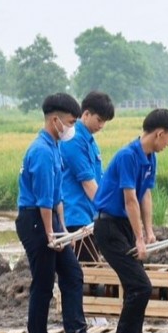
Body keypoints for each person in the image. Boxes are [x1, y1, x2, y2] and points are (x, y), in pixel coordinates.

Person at [15, 93, 110, 333]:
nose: (71, 127)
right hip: (34, 220)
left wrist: (63, 231)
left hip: (52, 218)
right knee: (44, 282)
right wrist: (50, 234)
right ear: (55, 120)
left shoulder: (55, 145)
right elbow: (43, 201)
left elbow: (58, 197)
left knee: (72, 274)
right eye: (70, 122)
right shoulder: (42, 151)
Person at [93, 108, 168, 333]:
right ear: (159, 133)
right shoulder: (128, 156)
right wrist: (139, 239)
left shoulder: (150, 158)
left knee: (136, 286)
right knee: (141, 286)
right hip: (109, 228)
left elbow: (145, 196)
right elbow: (129, 199)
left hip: (125, 228)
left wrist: (149, 231)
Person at [60, 90, 115, 262]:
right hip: (76, 216)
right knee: (85, 270)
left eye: (104, 122)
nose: (101, 126)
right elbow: (88, 183)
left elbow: (100, 179)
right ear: (86, 114)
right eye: (99, 120)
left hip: (90, 215)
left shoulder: (90, 141)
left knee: (91, 268)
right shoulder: (74, 140)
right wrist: (109, 211)